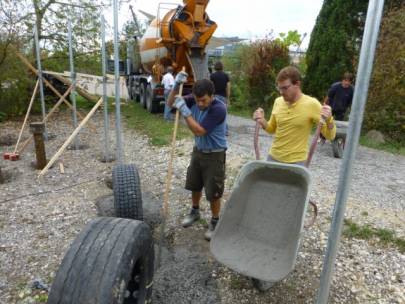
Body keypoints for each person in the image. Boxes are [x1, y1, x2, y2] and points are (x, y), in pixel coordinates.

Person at [167, 72, 227, 241]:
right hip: (198, 151)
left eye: (204, 100)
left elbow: (199, 131)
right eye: (197, 99)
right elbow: (170, 103)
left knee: (214, 190)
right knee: (195, 183)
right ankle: (194, 212)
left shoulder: (218, 108)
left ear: (212, 96)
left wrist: (185, 111)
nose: (200, 104)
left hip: (215, 154)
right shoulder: (193, 99)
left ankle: (215, 221)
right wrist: (175, 86)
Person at [253, 66, 336, 164]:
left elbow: (330, 136)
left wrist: (329, 119)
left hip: (297, 162)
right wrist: (262, 120)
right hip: (273, 158)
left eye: (285, 88)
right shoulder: (278, 101)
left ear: (297, 84)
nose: (281, 92)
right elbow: (272, 129)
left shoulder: (312, 104)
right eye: (279, 88)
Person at [210, 61, 231, 135]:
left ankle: (214, 130)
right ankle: (225, 131)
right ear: (222, 67)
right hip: (223, 97)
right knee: (224, 114)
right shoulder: (226, 76)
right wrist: (228, 98)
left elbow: (211, 87)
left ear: (215, 67)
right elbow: (228, 88)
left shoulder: (212, 76)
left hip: (214, 96)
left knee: (213, 113)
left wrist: (210, 96)